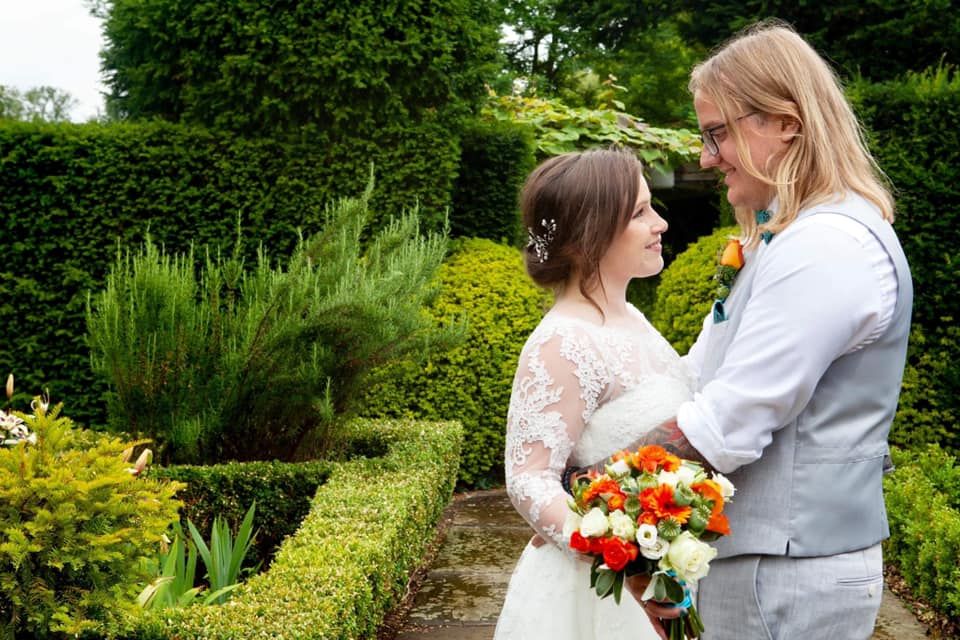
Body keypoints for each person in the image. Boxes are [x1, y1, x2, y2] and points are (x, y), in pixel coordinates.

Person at [566, 20, 912, 640]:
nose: (705, 156)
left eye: (717, 132)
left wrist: (596, 495)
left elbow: (729, 418)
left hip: (789, 574)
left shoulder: (827, 246)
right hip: (763, 564)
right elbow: (698, 374)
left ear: (786, 121)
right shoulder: (790, 238)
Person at [494, 148, 693, 640]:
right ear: (592, 234)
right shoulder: (563, 341)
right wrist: (622, 558)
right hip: (596, 596)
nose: (660, 224)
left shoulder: (634, 320)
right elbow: (529, 478)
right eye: (640, 212)